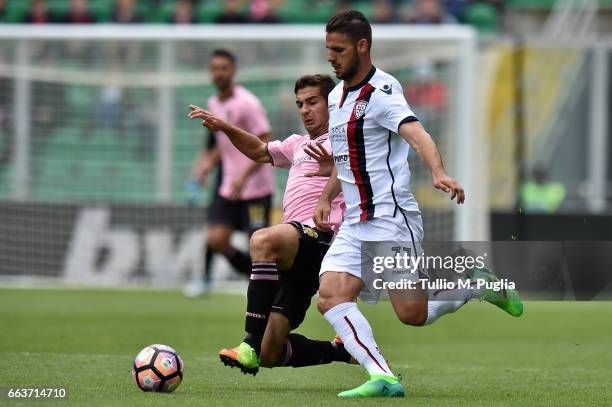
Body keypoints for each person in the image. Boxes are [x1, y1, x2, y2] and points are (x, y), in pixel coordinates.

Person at [315, 10, 523, 398]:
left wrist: (438, 171)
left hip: (390, 220)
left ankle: (471, 284)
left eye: (338, 49)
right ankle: (383, 376)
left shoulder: (383, 91)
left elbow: (416, 132)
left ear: (362, 47)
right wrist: (328, 195)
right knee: (329, 297)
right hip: (356, 223)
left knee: (411, 314)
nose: (331, 57)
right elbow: (346, 157)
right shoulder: (335, 96)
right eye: (328, 49)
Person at [188, 74, 353, 375]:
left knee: (262, 240)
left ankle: (248, 342)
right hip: (297, 253)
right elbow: (258, 150)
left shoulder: (346, 143)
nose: (304, 109)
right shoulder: (297, 144)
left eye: (313, 102)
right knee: (271, 352)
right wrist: (224, 127)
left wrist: (337, 166)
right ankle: (340, 351)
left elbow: (361, 166)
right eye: (300, 103)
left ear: (333, 104)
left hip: (322, 239)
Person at [188, 49, 275, 296]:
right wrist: (207, 165)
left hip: (255, 188)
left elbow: (264, 140)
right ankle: (254, 277)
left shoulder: (247, 103)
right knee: (216, 239)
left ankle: (268, 284)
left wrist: (243, 177)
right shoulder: (214, 103)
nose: (219, 73)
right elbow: (224, 143)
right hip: (229, 186)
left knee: (260, 246)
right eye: (215, 68)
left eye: (224, 68)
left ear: (233, 71)